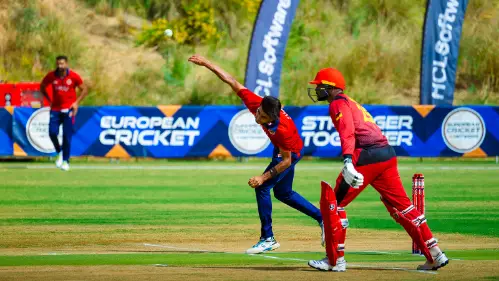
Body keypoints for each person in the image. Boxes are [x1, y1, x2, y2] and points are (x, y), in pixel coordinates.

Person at [306, 68, 448, 271]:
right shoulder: (350, 101)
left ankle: (335, 260)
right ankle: (435, 254)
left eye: (320, 85)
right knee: (405, 207)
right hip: (386, 155)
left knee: (334, 205)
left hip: (366, 156)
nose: (317, 89)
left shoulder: (338, 103)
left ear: (330, 88)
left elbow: (347, 132)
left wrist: (347, 159)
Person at [188, 54, 323, 254]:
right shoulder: (257, 104)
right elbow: (232, 81)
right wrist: (207, 63)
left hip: (290, 153)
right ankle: (323, 218)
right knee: (283, 193)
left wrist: (262, 177)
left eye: (262, 115)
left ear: (271, 118)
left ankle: (268, 238)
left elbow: (286, 161)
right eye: (258, 111)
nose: (257, 115)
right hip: (284, 151)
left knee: (262, 188)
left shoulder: (282, 129)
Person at [40, 55, 88, 171]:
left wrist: (76, 103)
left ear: (66, 64)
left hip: (68, 110)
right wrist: (49, 100)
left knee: (67, 136)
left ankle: (66, 160)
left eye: (62, 64)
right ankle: (59, 151)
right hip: (55, 109)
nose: (60, 66)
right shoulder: (51, 76)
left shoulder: (73, 76)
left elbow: (84, 89)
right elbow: (42, 86)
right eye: (58, 64)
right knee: (52, 132)